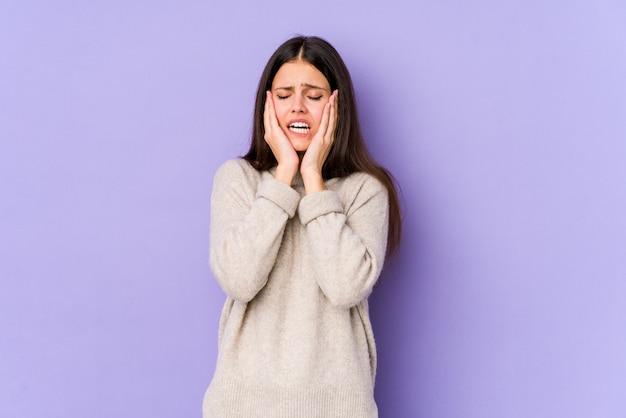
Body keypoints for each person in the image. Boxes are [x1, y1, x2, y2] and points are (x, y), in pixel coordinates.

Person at [202, 35, 402, 417]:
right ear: (267, 104)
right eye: (284, 95)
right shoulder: (238, 180)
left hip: (337, 407)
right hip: (242, 405)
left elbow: (346, 288)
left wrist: (312, 178)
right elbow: (240, 280)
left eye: (313, 95)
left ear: (336, 105)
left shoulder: (365, 189)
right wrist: (283, 179)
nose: (297, 106)